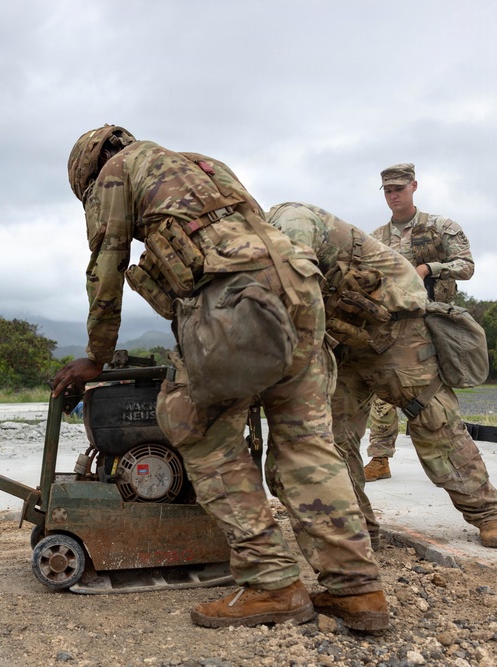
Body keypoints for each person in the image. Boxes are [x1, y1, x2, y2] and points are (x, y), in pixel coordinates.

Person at [51, 126, 386, 631]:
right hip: (297, 287)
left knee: (200, 429)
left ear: (87, 172)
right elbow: (255, 224)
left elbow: (106, 265)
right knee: (306, 445)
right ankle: (358, 591)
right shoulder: (202, 165)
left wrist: (96, 357)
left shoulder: (113, 174)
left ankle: (272, 584)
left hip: (233, 301)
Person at [267, 202, 497, 549]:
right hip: (345, 342)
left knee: (432, 418)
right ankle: (358, 529)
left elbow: (295, 293)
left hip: (397, 328)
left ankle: (488, 513)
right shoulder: (250, 250)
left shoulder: (290, 222)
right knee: (332, 435)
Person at [364, 163, 475, 483]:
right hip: (391, 325)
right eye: (388, 190)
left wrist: (430, 268)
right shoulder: (376, 238)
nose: (393, 195)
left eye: (399, 189)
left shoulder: (440, 227)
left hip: (432, 322)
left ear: (414, 186)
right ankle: (379, 458)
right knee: (383, 391)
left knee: (436, 395)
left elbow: (467, 266)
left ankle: (454, 460)